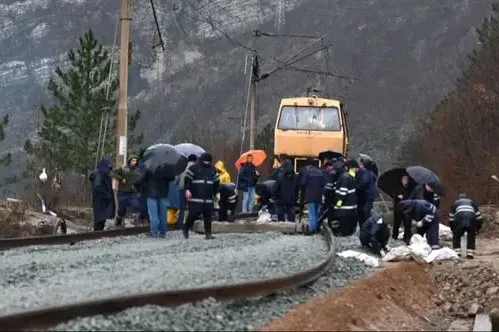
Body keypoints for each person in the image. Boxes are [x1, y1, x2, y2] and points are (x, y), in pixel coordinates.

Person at [183, 153, 220, 239]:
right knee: (193, 214)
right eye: (205, 161)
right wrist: (187, 190)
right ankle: (186, 228)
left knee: (208, 215)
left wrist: (217, 193)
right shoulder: (193, 168)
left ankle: (208, 233)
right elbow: (187, 180)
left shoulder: (213, 169)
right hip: (196, 196)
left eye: (208, 161)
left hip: (208, 197)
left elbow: (216, 183)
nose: (207, 163)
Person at [133, 165, 171, 238]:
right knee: (163, 214)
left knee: (153, 214)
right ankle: (162, 232)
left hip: (151, 194)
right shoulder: (166, 167)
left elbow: (142, 179)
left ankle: (154, 232)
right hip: (163, 193)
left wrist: (134, 184)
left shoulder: (149, 166)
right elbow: (171, 178)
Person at [449, 193, 483, 259]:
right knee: (471, 236)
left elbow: (451, 218)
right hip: (471, 218)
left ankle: (457, 253)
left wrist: (453, 229)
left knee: (456, 236)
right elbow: (479, 217)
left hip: (459, 219)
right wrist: (477, 228)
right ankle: (470, 254)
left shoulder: (455, 203)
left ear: (458, 198)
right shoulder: (472, 202)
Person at [331, 159, 359, 236]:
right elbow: (343, 191)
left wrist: (339, 203)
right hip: (348, 205)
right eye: (356, 168)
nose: (357, 169)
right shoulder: (348, 177)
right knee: (347, 220)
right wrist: (340, 202)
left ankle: (344, 232)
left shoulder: (346, 177)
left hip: (346, 206)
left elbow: (343, 191)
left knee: (344, 220)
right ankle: (346, 232)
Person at [111, 155, 140, 227]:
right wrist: (121, 179)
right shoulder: (123, 168)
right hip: (123, 191)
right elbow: (112, 173)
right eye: (133, 161)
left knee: (135, 205)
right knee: (122, 209)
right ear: (129, 161)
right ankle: (119, 219)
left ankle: (133, 220)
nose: (134, 162)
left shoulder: (138, 170)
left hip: (133, 192)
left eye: (135, 161)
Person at [89, 157, 115, 231]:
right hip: (100, 201)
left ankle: (98, 234)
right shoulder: (99, 175)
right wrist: (107, 195)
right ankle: (97, 235)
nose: (109, 169)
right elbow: (97, 187)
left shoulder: (102, 174)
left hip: (101, 201)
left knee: (101, 220)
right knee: (99, 220)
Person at [299, 159, 325, 233]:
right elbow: (324, 183)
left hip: (310, 195)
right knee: (316, 212)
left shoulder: (307, 171)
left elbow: (303, 183)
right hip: (319, 195)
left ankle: (313, 229)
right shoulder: (320, 171)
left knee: (312, 213)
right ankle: (316, 228)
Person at [178, 154, 198, 226]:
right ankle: (190, 223)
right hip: (191, 189)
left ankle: (180, 223)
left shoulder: (182, 167)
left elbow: (177, 179)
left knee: (182, 207)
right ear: (195, 160)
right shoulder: (195, 168)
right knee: (191, 206)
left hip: (181, 188)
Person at [356, 160, 377, 228]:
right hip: (370, 195)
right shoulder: (370, 173)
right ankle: (365, 226)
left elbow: (365, 182)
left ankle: (366, 227)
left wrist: (357, 187)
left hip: (367, 195)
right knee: (366, 212)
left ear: (364, 165)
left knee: (365, 212)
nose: (359, 165)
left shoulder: (365, 172)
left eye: (361, 164)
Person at [392, 175, 412, 244]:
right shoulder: (397, 187)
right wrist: (398, 196)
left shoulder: (410, 188)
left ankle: (406, 237)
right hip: (398, 208)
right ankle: (394, 236)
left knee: (407, 223)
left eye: (407, 179)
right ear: (401, 180)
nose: (405, 180)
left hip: (407, 208)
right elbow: (393, 195)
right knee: (397, 223)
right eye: (404, 179)